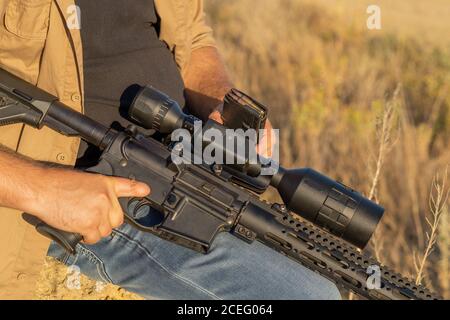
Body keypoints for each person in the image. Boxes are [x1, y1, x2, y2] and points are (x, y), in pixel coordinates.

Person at [0, 0, 341, 300]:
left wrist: (221, 103)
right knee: (310, 295)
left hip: (179, 168)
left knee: (330, 269)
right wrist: (43, 188)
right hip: (80, 190)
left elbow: (193, 40)